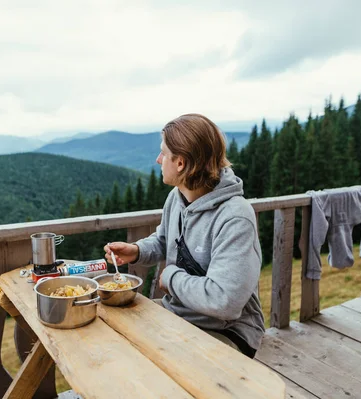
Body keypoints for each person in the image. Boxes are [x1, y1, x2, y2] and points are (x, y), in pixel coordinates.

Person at [104, 113, 265, 358]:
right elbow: (164, 240)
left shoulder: (235, 217)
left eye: (163, 154)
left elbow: (225, 301)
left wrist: (171, 277)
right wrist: (136, 251)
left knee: (146, 360)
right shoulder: (177, 197)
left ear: (180, 163)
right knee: (110, 327)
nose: (158, 160)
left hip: (228, 332)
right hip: (178, 313)